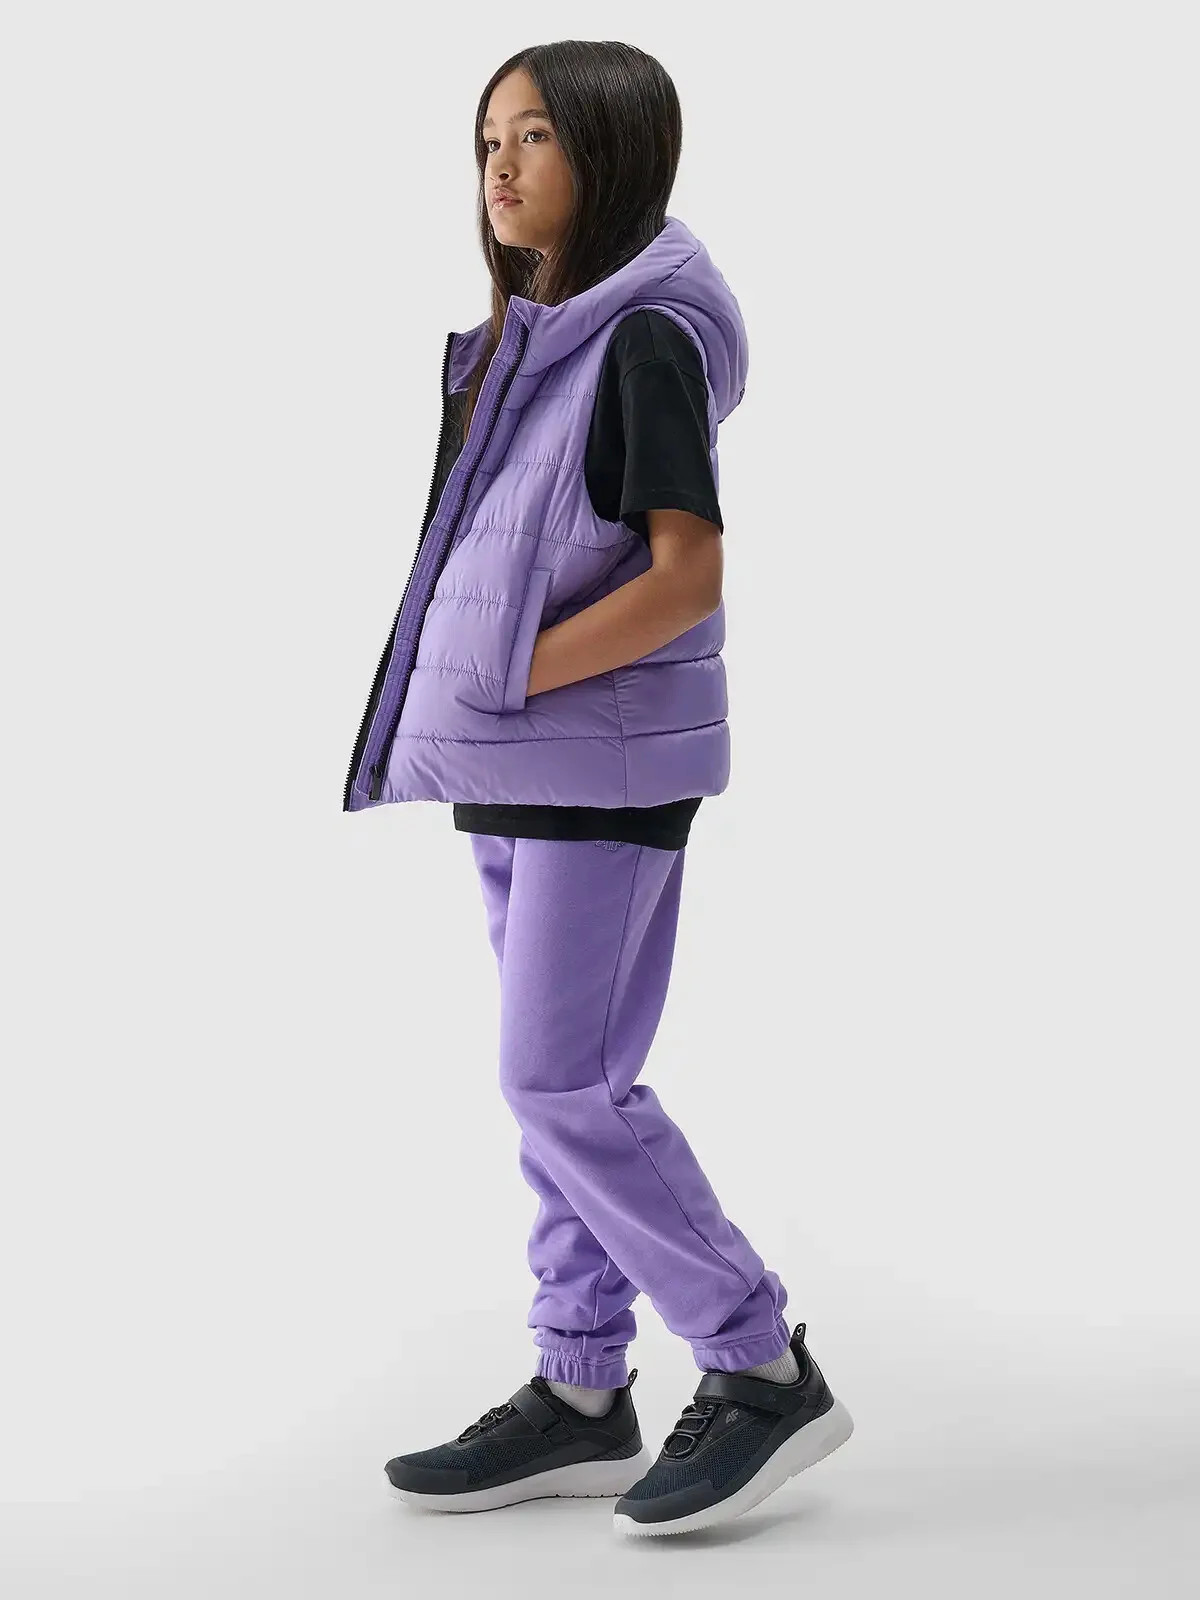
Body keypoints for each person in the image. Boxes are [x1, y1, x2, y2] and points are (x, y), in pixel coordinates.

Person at [344, 39, 853, 1537]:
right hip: (522, 767)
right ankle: (581, 1388)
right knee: (559, 1093)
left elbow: (687, 578)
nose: (500, 167)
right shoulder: (535, 341)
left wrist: (513, 673)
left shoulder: (640, 342)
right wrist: (490, 700)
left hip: (599, 767)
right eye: (487, 139)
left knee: (561, 1084)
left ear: (612, 152)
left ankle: (758, 1363)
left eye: (536, 138)